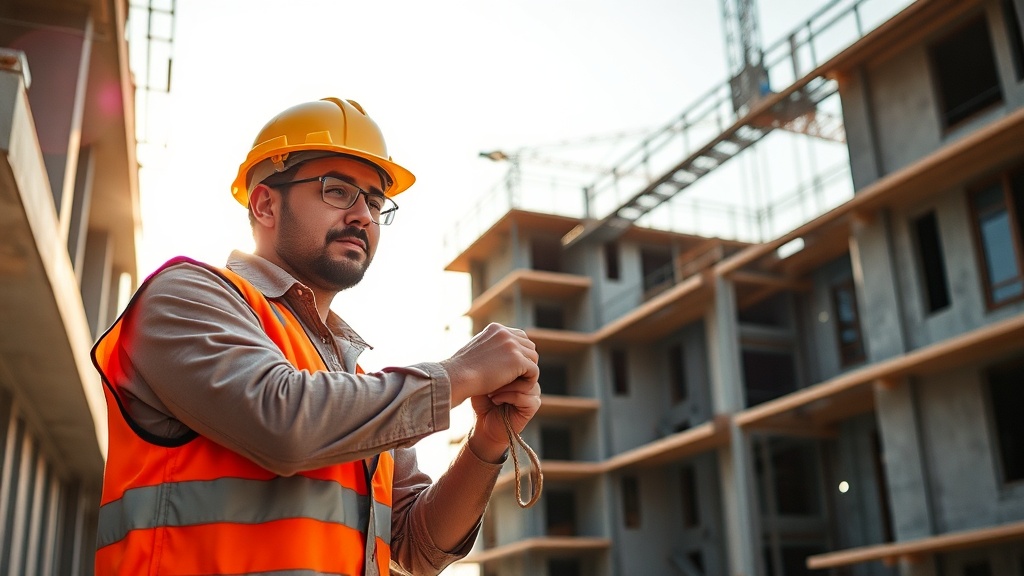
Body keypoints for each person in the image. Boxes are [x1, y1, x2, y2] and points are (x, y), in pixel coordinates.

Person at [91, 97, 542, 576]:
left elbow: (416, 547)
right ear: (265, 203)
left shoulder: (356, 383)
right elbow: (282, 421)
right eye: (337, 191)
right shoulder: (187, 296)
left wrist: (486, 443)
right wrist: (461, 374)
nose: (363, 216)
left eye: (373, 202)